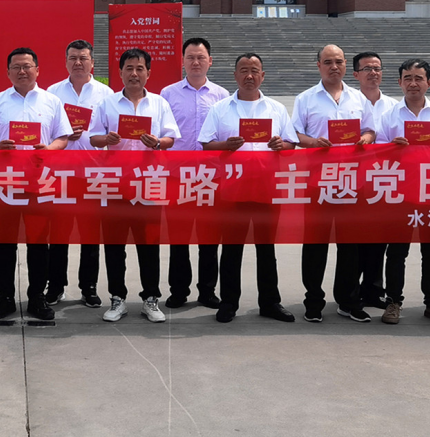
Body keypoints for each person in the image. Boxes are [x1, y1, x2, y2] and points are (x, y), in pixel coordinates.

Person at [196, 53, 299, 323]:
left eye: (254, 71)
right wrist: (226, 145)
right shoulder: (220, 109)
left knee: (267, 248)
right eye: (244, 70)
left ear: (262, 76)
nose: (249, 76)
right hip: (232, 190)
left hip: (267, 188)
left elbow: (291, 143)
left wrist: (281, 145)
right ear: (235, 76)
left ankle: (270, 303)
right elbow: (206, 144)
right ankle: (229, 303)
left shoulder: (276, 108)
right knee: (232, 248)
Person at [0, 46, 72, 321]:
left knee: (38, 244)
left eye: (27, 66)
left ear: (37, 70)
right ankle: (6, 298)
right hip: (5, 182)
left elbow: (63, 137)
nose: (22, 71)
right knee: (4, 243)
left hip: (39, 182)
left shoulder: (51, 101)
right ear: (8, 72)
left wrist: (49, 149)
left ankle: (36, 298)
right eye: (16, 67)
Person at [89, 48, 180, 324]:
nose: (134, 73)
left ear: (148, 73)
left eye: (140, 68)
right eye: (129, 68)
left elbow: (171, 137)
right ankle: (117, 298)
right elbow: (93, 138)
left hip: (149, 182)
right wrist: (107, 139)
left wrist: (158, 142)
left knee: (149, 243)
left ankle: (150, 298)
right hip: (115, 183)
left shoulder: (159, 103)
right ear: (120, 72)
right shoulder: (107, 104)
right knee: (114, 243)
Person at [292, 44, 376, 323]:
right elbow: (294, 134)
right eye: (328, 62)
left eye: (338, 61)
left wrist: (365, 139)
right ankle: (313, 300)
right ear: (319, 66)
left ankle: (348, 300)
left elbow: (370, 129)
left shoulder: (358, 98)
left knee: (350, 246)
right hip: (317, 182)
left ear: (345, 66)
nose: (334, 67)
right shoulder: (306, 98)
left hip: (352, 181)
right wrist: (313, 142)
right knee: (315, 245)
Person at [373, 59, 430, 325]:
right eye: (408, 78)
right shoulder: (389, 116)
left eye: (419, 78)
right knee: (396, 252)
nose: (413, 83)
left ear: (429, 83)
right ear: (400, 82)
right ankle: (393, 302)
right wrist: (391, 147)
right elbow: (376, 154)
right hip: (400, 194)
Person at [161, 37, 229, 309]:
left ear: (210, 61)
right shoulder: (168, 94)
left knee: (208, 238)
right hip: (177, 176)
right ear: (182, 61)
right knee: (178, 237)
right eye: (190, 57)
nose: (196, 62)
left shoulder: (222, 96)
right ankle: (178, 290)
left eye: (201, 57)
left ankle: (207, 291)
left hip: (210, 177)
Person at [45, 39, 112, 307]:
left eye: (83, 58)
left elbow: (111, 130)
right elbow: (45, 131)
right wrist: (63, 134)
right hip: (59, 174)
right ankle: (55, 286)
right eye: (73, 58)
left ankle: (89, 287)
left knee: (89, 235)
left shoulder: (106, 94)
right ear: (66, 62)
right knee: (58, 234)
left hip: (93, 173)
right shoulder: (53, 93)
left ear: (92, 62)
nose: (78, 63)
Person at [353, 51, 400, 311]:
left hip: (384, 180)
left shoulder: (394, 106)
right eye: (367, 69)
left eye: (377, 68)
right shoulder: (349, 103)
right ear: (356, 74)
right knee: (355, 241)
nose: (373, 73)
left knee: (379, 240)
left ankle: (373, 290)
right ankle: (352, 291)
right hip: (352, 180)